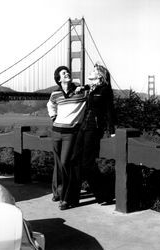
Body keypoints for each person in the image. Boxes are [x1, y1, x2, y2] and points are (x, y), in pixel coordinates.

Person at [71, 63, 116, 205]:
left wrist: (112, 131)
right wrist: (81, 87)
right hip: (84, 126)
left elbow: (110, 110)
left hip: (94, 127)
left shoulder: (105, 90)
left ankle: (104, 194)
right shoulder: (92, 88)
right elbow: (86, 87)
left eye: (94, 70)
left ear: (100, 75)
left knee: (87, 164)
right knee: (74, 159)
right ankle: (71, 197)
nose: (91, 71)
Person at [47, 66, 87, 210]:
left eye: (68, 72)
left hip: (70, 133)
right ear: (59, 79)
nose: (67, 73)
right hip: (56, 131)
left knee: (65, 163)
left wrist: (83, 87)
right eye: (64, 73)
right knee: (58, 163)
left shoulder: (81, 91)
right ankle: (57, 192)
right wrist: (53, 117)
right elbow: (50, 105)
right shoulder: (55, 94)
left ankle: (65, 197)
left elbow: (93, 89)